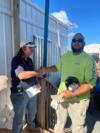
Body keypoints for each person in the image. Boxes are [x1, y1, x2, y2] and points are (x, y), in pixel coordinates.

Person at [19, 33, 96, 133]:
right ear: (71, 43)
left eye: (79, 40)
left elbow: (89, 84)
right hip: (62, 96)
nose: (76, 42)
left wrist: (72, 93)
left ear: (84, 43)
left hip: (79, 100)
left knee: (78, 127)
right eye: (74, 40)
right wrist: (45, 70)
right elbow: (57, 67)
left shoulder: (89, 60)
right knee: (59, 122)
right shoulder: (66, 56)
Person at [10, 41, 40, 133]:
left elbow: (33, 74)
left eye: (32, 48)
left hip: (32, 89)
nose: (32, 50)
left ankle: (30, 127)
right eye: (30, 48)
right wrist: (38, 72)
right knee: (19, 118)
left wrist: (37, 83)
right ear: (23, 48)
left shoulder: (30, 60)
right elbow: (21, 75)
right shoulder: (16, 59)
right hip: (20, 93)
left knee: (32, 111)